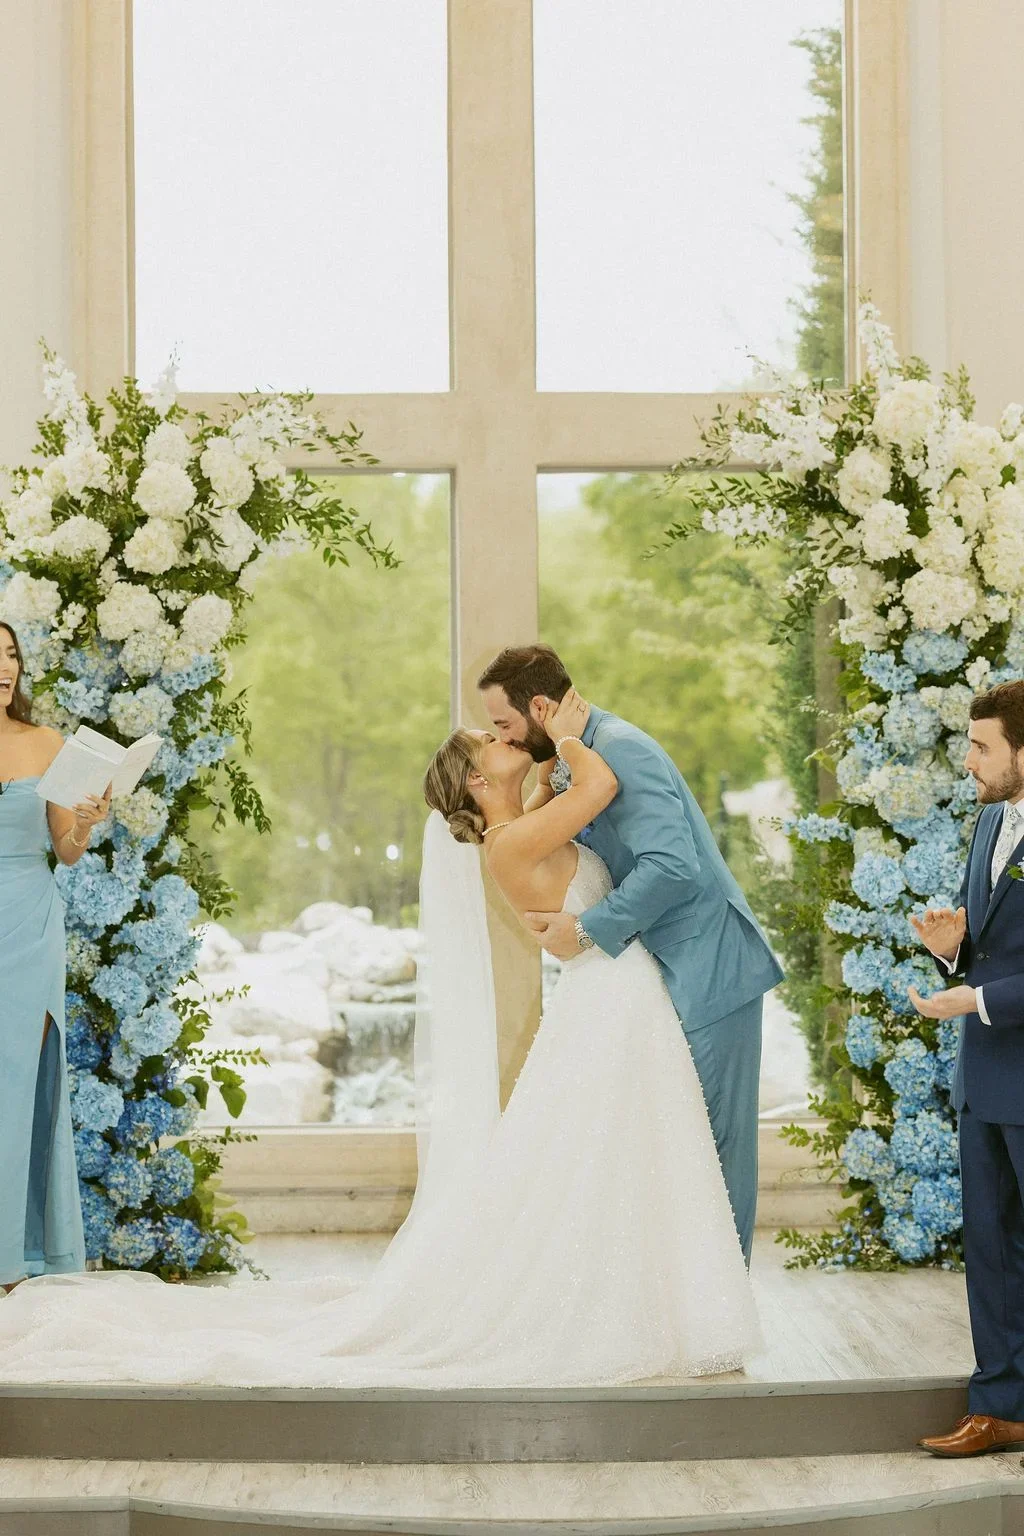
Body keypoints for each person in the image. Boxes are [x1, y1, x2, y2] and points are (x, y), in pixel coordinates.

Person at [0, 689, 758, 1388]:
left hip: (618, 1006)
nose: (502, 739)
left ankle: (650, 1299)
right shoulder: (513, 843)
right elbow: (600, 788)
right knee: (606, 1157)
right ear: (475, 783)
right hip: (610, 1007)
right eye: (485, 741)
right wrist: (565, 735)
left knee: (619, 1159)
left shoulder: (523, 823)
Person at [478, 644, 784, 1262]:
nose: (501, 736)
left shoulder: (620, 748)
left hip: (707, 969)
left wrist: (587, 930)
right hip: (650, 978)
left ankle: (723, 1319)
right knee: (672, 1155)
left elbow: (672, 866)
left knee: (715, 1149)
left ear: (540, 707)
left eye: (505, 723)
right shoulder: (573, 759)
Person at [911, 681, 1024, 1457]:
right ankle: (1000, 1407)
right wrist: (951, 945)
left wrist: (972, 1002)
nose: (969, 759)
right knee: (989, 1247)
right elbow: (986, 941)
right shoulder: (988, 821)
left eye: (982, 745)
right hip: (985, 1079)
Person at [0, 622, 110, 1294]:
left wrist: (86, 822)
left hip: (28, 921)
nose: (4, 666)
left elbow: (65, 849)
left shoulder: (47, 744)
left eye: (10, 654)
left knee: (18, 1082)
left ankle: (18, 1256)